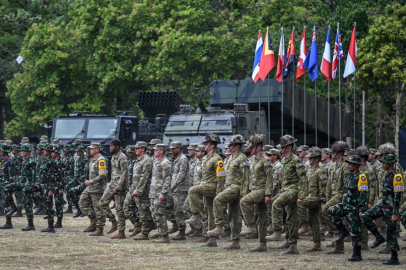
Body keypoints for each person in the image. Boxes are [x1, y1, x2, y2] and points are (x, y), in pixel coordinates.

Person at [208, 134, 249, 250]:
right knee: (233, 215)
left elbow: (246, 176)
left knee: (218, 200)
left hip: (237, 187)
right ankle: (235, 241)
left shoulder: (242, 158)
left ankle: (219, 226)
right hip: (229, 187)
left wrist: (244, 192)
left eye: (231, 145)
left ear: (237, 145)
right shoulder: (230, 158)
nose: (229, 147)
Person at [266, 135, 305, 254]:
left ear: (288, 146)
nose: (281, 149)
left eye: (283, 146)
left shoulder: (296, 160)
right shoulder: (283, 160)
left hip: (293, 189)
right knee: (290, 217)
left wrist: (301, 196)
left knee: (276, 203)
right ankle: (292, 244)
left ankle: (277, 231)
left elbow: (302, 178)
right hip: (285, 189)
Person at [361, 153, 401, 265]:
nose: (382, 164)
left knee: (391, 232)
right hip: (383, 205)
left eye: (384, 162)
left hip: (391, 207)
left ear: (390, 163)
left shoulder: (397, 176)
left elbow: (397, 196)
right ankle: (378, 237)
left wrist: (395, 213)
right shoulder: (386, 175)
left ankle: (394, 257)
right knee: (365, 216)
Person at [186, 133, 224, 248]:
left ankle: (195, 215)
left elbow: (221, 177)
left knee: (192, 190)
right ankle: (212, 240)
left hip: (213, 186)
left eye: (207, 143)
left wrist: (219, 192)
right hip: (206, 185)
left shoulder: (217, 159)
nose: (205, 146)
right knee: (209, 213)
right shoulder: (206, 158)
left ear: (212, 145)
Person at [327, 155, 367, 262]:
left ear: (357, 165)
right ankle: (342, 230)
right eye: (348, 163)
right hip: (345, 205)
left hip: (354, 208)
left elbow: (363, 195)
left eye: (350, 163)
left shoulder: (361, 177)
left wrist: (361, 210)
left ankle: (357, 254)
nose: (348, 165)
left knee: (355, 231)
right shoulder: (349, 176)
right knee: (330, 210)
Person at [240, 134, 272, 252]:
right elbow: (249, 177)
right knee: (261, 217)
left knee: (244, 202)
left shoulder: (265, 160)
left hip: (262, 189)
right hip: (254, 189)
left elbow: (269, 178)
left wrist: (268, 194)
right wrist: (247, 190)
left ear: (258, 146)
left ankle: (251, 226)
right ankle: (262, 243)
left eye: (252, 146)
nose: (250, 148)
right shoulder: (252, 160)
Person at [323, 141, 349, 253]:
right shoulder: (332, 166)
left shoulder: (345, 166)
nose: (333, 154)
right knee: (335, 218)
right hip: (333, 195)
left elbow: (346, 186)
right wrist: (327, 197)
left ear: (341, 153)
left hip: (340, 194)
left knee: (325, 211)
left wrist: (344, 201)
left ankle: (341, 232)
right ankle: (339, 245)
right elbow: (329, 183)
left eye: (335, 152)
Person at [79, 142, 109, 236]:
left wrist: (91, 182)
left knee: (98, 208)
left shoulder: (101, 160)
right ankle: (93, 220)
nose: (90, 150)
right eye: (90, 149)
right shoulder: (92, 160)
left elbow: (103, 175)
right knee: (82, 202)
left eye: (92, 149)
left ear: (97, 149)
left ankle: (100, 229)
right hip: (91, 187)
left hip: (98, 188)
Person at [297, 147, 324, 251]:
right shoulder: (309, 170)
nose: (309, 159)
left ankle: (304, 224)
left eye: (311, 158)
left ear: (316, 158)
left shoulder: (320, 170)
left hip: (316, 198)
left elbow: (323, 186)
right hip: (309, 197)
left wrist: (322, 200)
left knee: (300, 203)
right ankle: (317, 244)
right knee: (314, 221)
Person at [101, 139, 128, 238]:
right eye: (110, 146)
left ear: (117, 147)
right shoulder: (113, 157)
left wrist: (118, 187)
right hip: (112, 184)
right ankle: (113, 222)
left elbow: (124, 174)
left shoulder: (122, 157)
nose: (110, 148)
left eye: (112, 146)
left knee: (119, 209)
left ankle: (121, 232)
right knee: (102, 203)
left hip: (119, 187)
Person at [150, 144, 172, 243]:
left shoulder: (165, 163)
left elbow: (167, 179)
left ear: (161, 151)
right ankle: (160, 233)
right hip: (154, 192)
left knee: (159, 213)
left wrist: (163, 193)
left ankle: (165, 235)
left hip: (160, 193)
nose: (154, 151)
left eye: (156, 150)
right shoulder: (156, 162)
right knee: (154, 213)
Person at [131, 141, 153, 240]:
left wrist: (139, 190)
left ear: (142, 149)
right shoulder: (139, 160)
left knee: (143, 211)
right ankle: (142, 227)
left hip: (143, 191)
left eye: (137, 148)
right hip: (135, 189)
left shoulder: (147, 160)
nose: (135, 150)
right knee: (138, 210)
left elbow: (145, 177)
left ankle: (145, 233)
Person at [169, 141, 189, 240]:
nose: (172, 150)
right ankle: (178, 227)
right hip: (175, 188)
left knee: (179, 210)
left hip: (181, 189)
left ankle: (182, 232)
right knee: (175, 210)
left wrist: (173, 185)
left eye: (173, 149)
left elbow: (181, 174)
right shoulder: (176, 159)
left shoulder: (183, 159)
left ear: (179, 148)